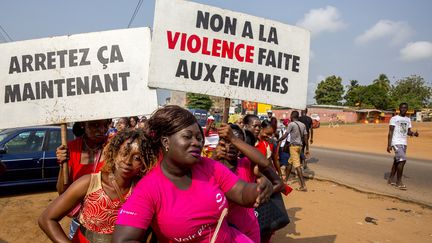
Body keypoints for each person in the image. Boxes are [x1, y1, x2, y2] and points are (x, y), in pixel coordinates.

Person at [113, 105, 273, 243]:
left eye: (198, 137)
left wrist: (257, 191)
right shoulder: (149, 188)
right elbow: (124, 239)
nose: (196, 142)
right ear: (165, 142)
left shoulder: (210, 166)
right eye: (187, 137)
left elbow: (242, 192)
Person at [40, 129, 156, 242]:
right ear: (114, 153)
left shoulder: (144, 190)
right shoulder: (90, 183)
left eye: (137, 158)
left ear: (144, 162)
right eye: (123, 153)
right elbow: (46, 219)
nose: (127, 161)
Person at [212, 124, 284, 243]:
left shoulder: (246, 165)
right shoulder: (211, 167)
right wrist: (214, 157)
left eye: (236, 142)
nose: (232, 146)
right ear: (220, 143)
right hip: (221, 230)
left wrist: (233, 139)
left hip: (248, 228)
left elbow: (265, 163)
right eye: (227, 141)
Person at [56, 119, 111, 238]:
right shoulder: (71, 148)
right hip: (80, 219)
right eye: (95, 125)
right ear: (82, 125)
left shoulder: (113, 145)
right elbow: (61, 191)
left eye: (106, 124)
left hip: (109, 221)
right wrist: (62, 164)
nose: (102, 130)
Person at [387, 103, 419, 190]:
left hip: (404, 143)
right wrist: (389, 145)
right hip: (396, 142)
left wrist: (413, 134)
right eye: (402, 108)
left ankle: (390, 179)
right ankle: (399, 182)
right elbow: (390, 132)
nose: (404, 109)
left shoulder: (408, 119)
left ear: (407, 109)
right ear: (399, 108)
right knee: (402, 160)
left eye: (405, 108)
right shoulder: (394, 118)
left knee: (397, 161)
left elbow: (407, 131)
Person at [278, 111, 308, 191]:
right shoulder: (303, 125)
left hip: (293, 147)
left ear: (292, 116)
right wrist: (307, 148)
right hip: (300, 146)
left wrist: (278, 140)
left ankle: (303, 185)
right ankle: (285, 180)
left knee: (297, 165)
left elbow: (285, 135)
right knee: (289, 163)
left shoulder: (291, 124)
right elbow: (305, 137)